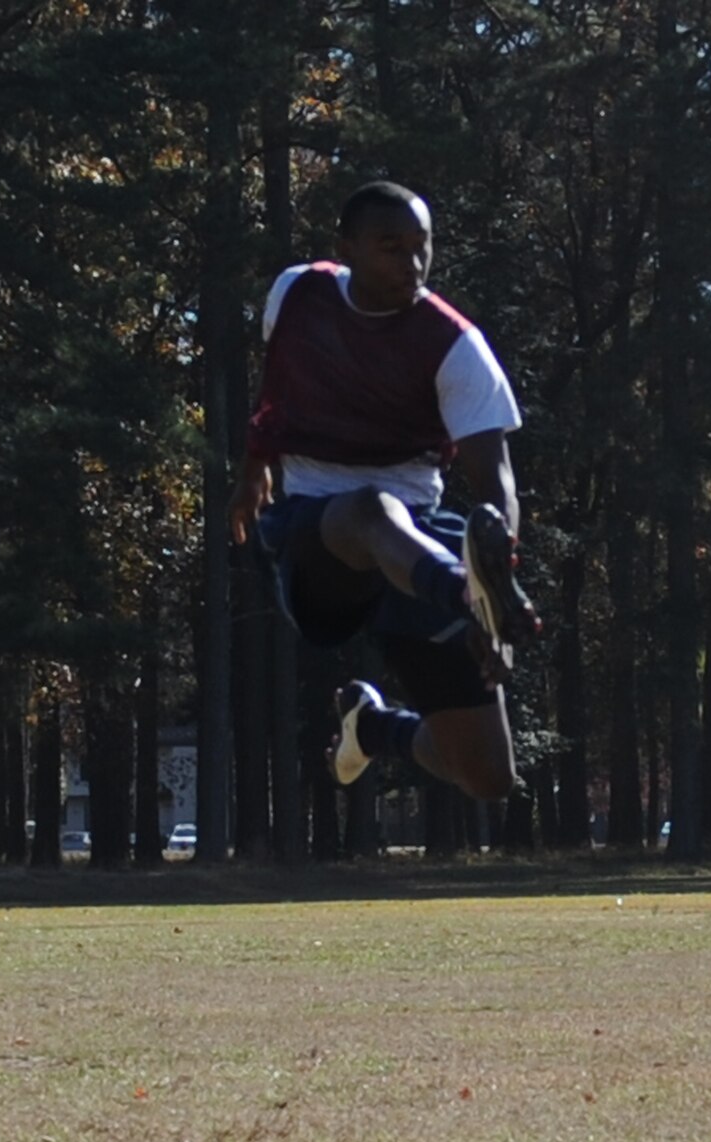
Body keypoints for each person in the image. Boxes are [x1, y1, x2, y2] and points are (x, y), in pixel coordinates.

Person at [228, 180, 539, 802]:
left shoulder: (454, 345)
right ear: (346, 248)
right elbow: (278, 389)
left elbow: (496, 483)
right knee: (372, 510)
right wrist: (254, 466)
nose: (413, 263)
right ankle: (464, 593)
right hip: (318, 542)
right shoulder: (297, 292)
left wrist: (500, 574)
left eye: (423, 246)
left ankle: (374, 728)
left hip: (419, 544)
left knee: (488, 778)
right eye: (392, 247)